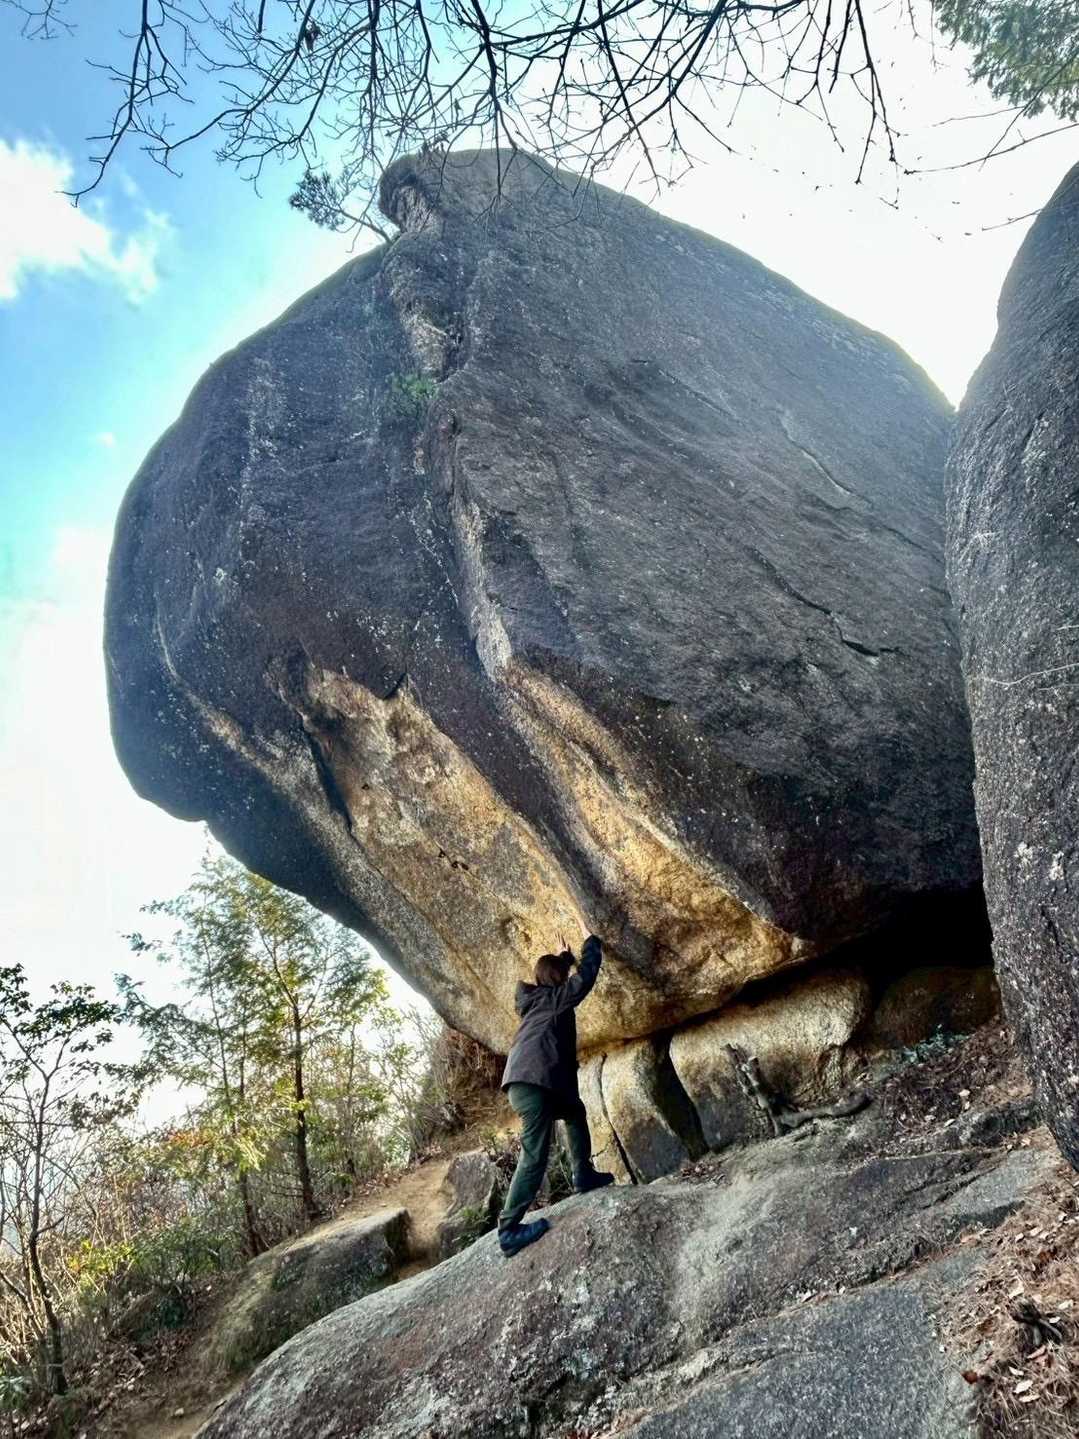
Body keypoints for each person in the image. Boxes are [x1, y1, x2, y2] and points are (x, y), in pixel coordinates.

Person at [497, 927, 615, 1257]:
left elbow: (558, 978)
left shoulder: (535, 1000)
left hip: (530, 1081)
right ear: (559, 980)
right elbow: (585, 978)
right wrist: (590, 942)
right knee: (535, 1154)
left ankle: (583, 1175)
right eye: (562, 975)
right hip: (534, 1084)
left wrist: (563, 957)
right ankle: (508, 1230)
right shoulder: (556, 999)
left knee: (575, 1111)